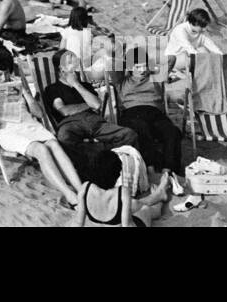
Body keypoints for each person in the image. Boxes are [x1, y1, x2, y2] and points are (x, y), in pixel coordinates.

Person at [0, 50, 83, 207]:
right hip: (8, 132)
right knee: (41, 150)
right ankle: (69, 194)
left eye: (6, 73)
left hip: (29, 125)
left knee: (54, 144)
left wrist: (27, 95)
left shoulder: (17, 84)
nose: (4, 78)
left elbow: (39, 114)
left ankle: (81, 189)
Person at [41, 50, 139, 153]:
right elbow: (64, 111)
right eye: (71, 62)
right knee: (64, 139)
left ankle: (99, 150)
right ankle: (103, 149)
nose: (76, 65)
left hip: (94, 121)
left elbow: (97, 105)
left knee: (129, 134)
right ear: (62, 69)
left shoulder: (85, 85)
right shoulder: (52, 89)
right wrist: (88, 105)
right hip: (70, 124)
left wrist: (76, 85)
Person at [112, 44, 184, 177]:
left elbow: (172, 58)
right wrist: (123, 57)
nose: (142, 70)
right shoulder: (122, 81)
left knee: (172, 132)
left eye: (144, 65)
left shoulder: (155, 77)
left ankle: (168, 172)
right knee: (142, 128)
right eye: (137, 67)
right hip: (132, 114)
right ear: (129, 67)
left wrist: (152, 63)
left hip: (155, 114)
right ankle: (150, 170)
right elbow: (112, 64)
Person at [75, 149, 168, 228]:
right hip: (121, 217)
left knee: (135, 205)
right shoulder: (122, 192)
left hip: (107, 218)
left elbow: (78, 223)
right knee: (146, 210)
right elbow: (127, 225)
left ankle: (159, 195)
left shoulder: (85, 188)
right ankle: (159, 202)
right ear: (116, 174)